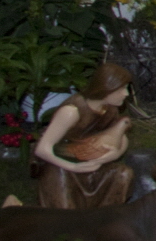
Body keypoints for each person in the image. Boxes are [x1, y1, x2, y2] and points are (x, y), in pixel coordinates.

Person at [32, 62, 134, 208]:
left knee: (123, 173)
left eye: (126, 88)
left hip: (91, 164)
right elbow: (42, 149)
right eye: (121, 89)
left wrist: (112, 155)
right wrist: (73, 167)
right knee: (64, 204)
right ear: (107, 88)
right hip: (62, 166)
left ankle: (104, 217)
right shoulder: (71, 111)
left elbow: (122, 137)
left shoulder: (110, 109)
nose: (126, 93)